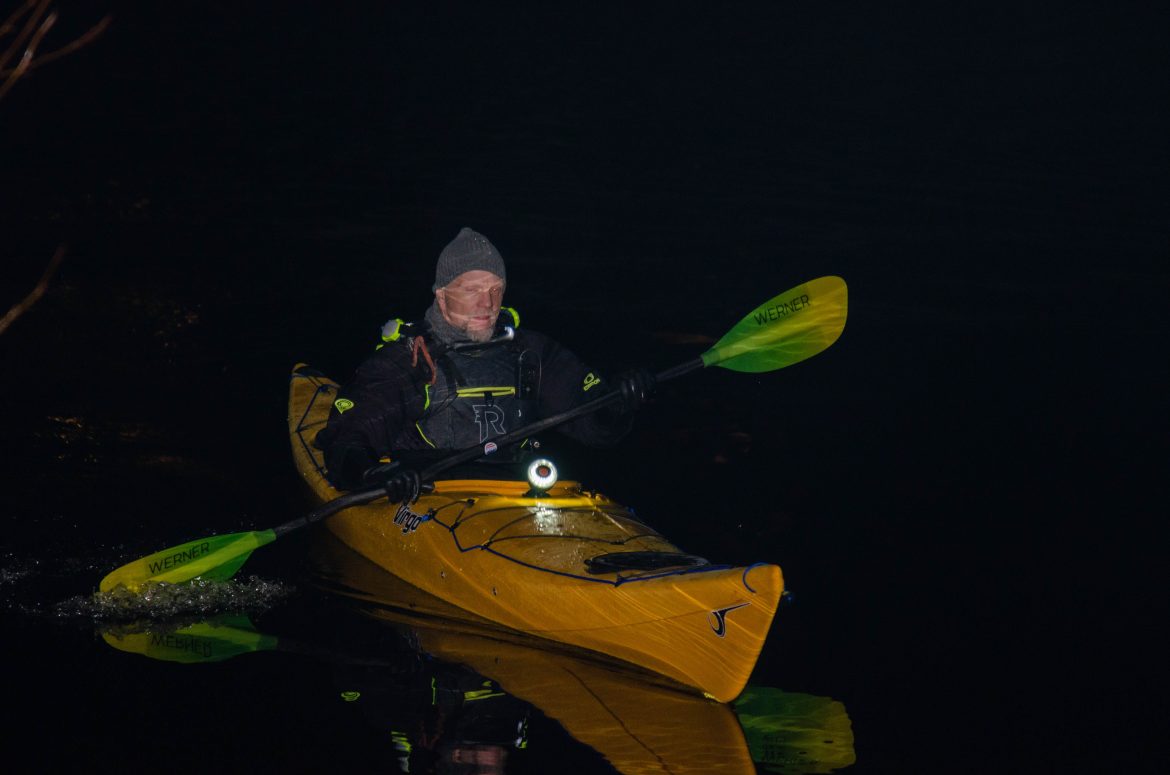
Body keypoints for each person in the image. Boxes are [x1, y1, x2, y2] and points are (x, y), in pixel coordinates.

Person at [314, 227, 654, 499]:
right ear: (442, 295)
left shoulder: (531, 352)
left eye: (495, 289)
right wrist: (373, 473)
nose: (486, 303)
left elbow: (592, 422)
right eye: (471, 289)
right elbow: (351, 434)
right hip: (429, 496)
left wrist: (617, 403)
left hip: (518, 492)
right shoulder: (410, 359)